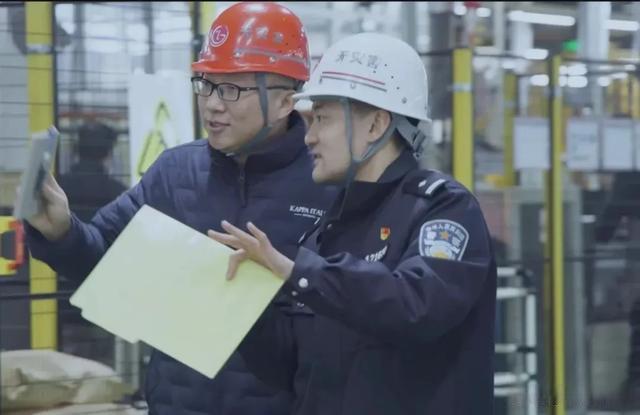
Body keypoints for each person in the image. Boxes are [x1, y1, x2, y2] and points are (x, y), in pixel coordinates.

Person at [24, 3, 335, 415]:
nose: (212, 104)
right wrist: (62, 230)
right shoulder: (176, 172)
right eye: (206, 84)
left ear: (285, 102)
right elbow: (103, 259)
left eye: (232, 89)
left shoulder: (329, 184)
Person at [209, 33, 497, 415]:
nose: (309, 137)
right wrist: (243, 306)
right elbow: (290, 368)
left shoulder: (442, 209)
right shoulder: (327, 229)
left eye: (322, 119)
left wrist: (298, 272)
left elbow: (416, 305)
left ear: (376, 125)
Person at [56, 121, 127, 366]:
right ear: (109, 154)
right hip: (102, 298)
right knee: (99, 370)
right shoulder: (120, 193)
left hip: (57, 296)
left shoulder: (58, 189)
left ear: (76, 149)